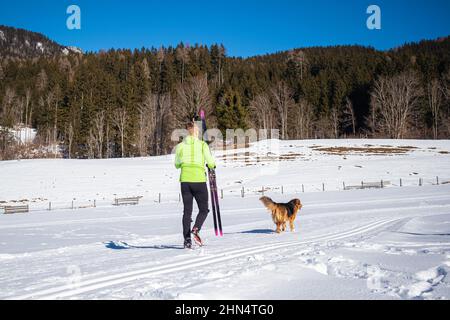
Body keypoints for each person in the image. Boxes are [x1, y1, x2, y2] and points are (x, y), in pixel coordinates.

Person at [175, 120, 216, 249]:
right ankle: (196, 229)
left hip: (185, 181)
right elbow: (210, 161)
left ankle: (187, 239)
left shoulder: (180, 146)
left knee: (187, 212)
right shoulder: (202, 145)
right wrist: (212, 165)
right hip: (198, 181)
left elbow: (176, 164)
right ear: (196, 131)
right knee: (203, 210)